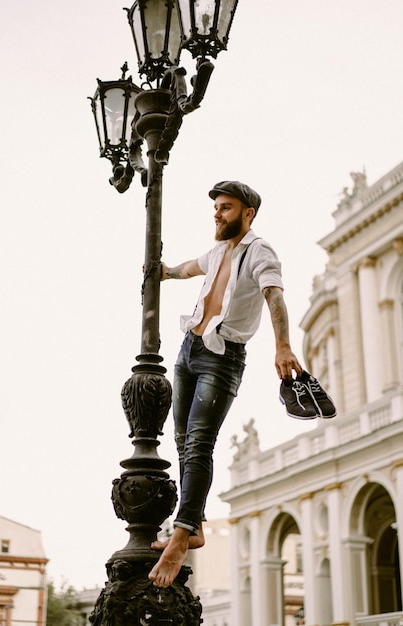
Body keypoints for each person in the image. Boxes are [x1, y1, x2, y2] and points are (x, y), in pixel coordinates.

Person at [148, 180, 303, 588]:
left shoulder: (260, 251)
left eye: (227, 207)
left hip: (222, 357)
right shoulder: (217, 250)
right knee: (182, 442)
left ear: (247, 213)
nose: (218, 213)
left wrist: (283, 345)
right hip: (188, 349)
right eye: (216, 206)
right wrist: (160, 272)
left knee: (199, 441)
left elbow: (274, 295)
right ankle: (194, 523)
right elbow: (186, 269)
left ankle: (180, 537)